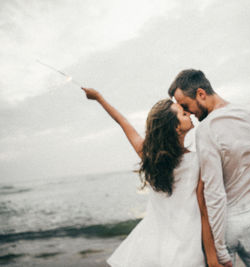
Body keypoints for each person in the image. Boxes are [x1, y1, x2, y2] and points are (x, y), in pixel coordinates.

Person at [81, 87, 223, 267]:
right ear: (176, 127)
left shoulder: (150, 157)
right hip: (185, 249)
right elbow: (205, 211)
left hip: (151, 248)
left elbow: (122, 121)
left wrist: (99, 97)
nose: (188, 112)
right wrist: (212, 258)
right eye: (182, 112)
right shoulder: (199, 160)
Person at [168, 69, 250, 266]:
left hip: (226, 227)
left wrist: (219, 249)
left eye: (186, 105)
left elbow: (214, 193)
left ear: (201, 93)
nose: (189, 113)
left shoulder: (207, 129)